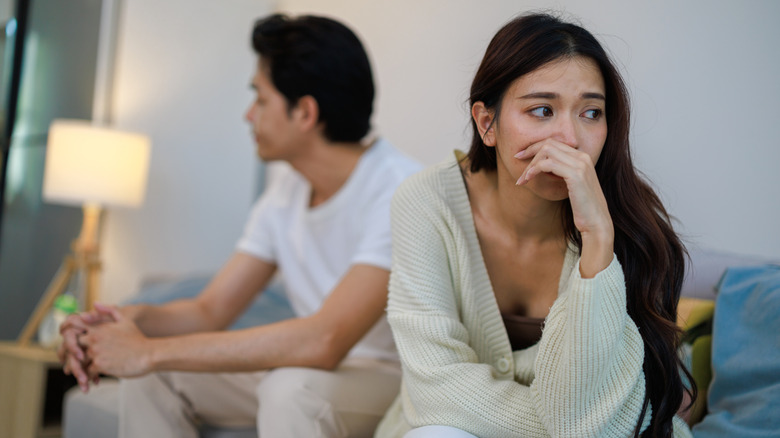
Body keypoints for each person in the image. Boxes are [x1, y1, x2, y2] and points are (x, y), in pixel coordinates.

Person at [58, 13, 421, 438]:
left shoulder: (400, 191)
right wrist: (124, 319)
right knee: (154, 375)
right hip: (316, 368)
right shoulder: (284, 195)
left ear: (304, 112)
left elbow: (325, 339)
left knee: (291, 390)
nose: (249, 115)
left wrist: (148, 350)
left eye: (261, 99)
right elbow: (208, 309)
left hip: (390, 378)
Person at [375, 13, 694, 438]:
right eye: (542, 110)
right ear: (486, 123)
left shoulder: (631, 225)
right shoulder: (427, 202)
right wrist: (557, 426)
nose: (570, 138)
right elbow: (435, 385)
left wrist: (598, 240)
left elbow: (618, 417)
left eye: (591, 113)